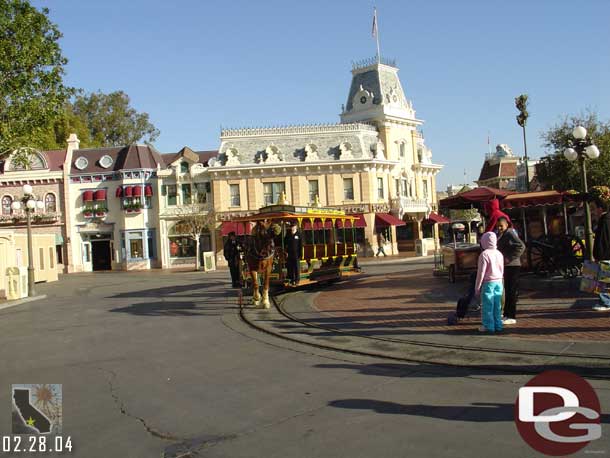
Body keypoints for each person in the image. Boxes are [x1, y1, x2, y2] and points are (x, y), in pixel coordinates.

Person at [496, 216, 525, 325]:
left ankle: (512, 316)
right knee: (507, 290)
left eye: (501, 226)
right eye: (498, 226)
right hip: (507, 266)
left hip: (513, 266)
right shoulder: (503, 234)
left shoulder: (510, 233)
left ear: (506, 225)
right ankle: (507, 314)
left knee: (511, 291)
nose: (499, 228)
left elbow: (521, 246)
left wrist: (509, 258)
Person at [474, 232, 504, 333]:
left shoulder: (484, 254)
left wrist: (477, 287)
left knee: (487, 305)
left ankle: (488, 326)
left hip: (488, 283)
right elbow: (502, 269)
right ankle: (498, 325)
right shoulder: (499, 253)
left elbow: (481, 272)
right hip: (499, 281)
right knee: (497, 305)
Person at [592, 197, 610, 311]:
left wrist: (598, 255)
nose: (592, 212)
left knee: (598, 280)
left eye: (593, 208)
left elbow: (602, 240)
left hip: (605, 256)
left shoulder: (604, 220)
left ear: (600, 209)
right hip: (606, 255)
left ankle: (606, 302)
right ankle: (604, 301)